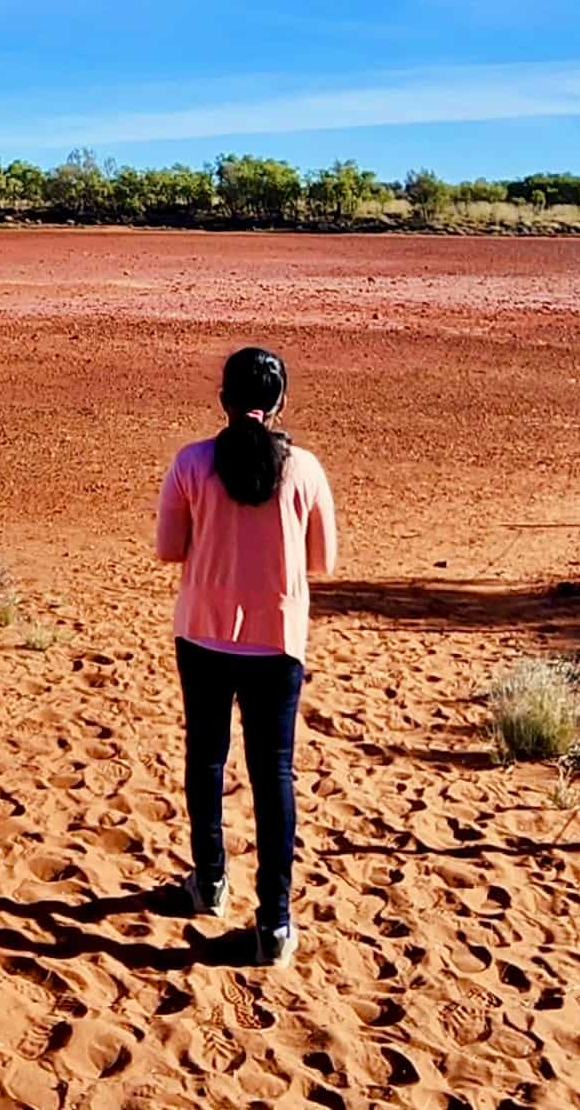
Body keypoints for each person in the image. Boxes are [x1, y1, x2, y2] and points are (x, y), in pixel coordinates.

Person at [152, 344, 338, 965]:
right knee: (273, 775)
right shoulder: (305, 470)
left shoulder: (190, 463)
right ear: (280, 401)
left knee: (205, 760)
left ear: (224, 400)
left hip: (203, 635)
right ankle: (276, 923)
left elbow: (168, 549)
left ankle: (208, 882)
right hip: (278, 642)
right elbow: (323, 562)